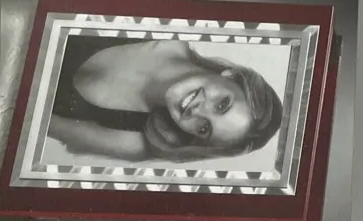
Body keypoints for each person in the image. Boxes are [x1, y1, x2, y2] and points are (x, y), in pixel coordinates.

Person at [47, 33, 283, 165]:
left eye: (204, 128)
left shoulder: (136, 142)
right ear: (230, 75)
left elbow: (34, 120)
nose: (198, 112)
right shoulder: (165, 29)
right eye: (222, 104)